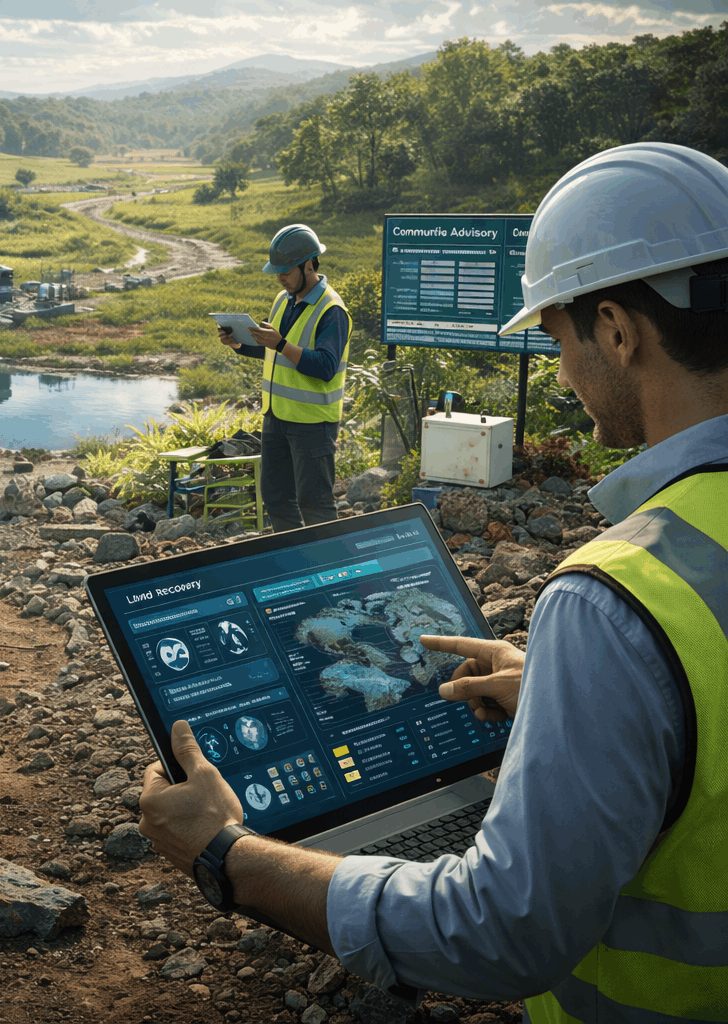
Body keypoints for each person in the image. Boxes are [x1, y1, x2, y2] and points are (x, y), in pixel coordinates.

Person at [139, 141, 728, 1021]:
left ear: (616, 327)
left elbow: (501, 935)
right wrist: (593, 697)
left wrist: (229, 854)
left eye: (559, 337)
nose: (563, 372)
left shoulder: (616, 599)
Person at [218, 224, 352, 532]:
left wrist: (280, 343)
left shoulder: (332, 311)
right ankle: (296, 562)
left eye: (285, 271)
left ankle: (331, 572)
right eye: (276, 271)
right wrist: (239, 344)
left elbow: (325, 366)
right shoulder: (283, 299)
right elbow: (275, 353)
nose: (279, 277)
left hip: (313, 423)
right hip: (276, 418)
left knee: (314, 503)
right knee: (276, 498)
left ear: (308, 265)